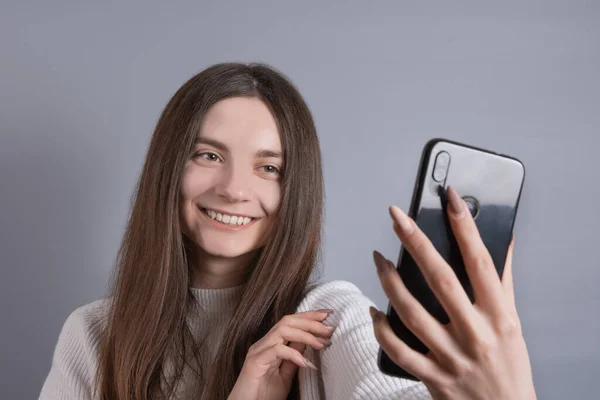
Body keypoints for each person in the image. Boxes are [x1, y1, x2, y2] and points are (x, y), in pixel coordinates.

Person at [39, 63, 536, 400]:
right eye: (209, 155)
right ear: (168, 168)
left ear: (296, 189)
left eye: (269, 167)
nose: (235, 190)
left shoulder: (327, 320)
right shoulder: (93, 335)